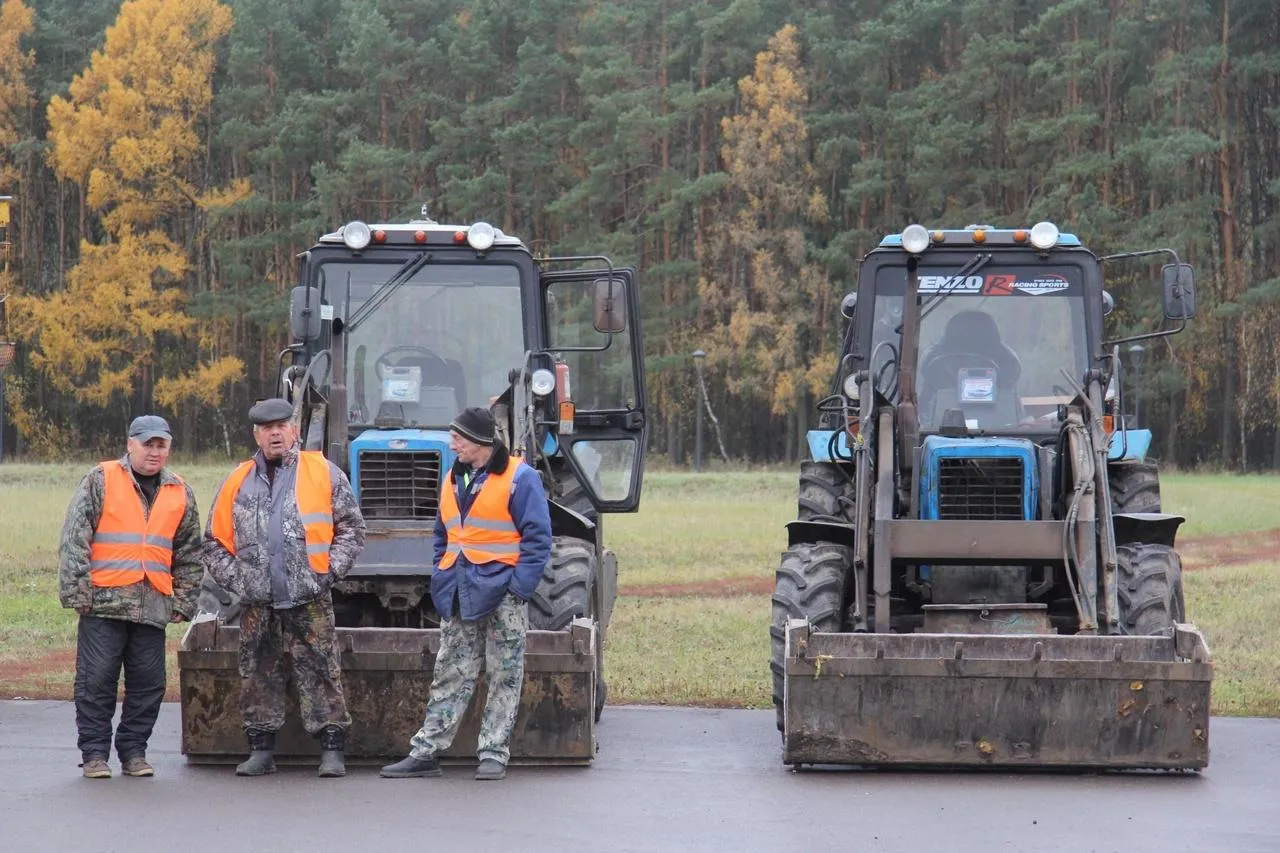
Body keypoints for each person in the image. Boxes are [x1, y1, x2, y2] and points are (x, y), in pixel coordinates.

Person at [381, 406, 551, 781]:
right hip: (459, 589)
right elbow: (444, 533)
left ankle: (493, 754)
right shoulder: (453, 477)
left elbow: (539, 541)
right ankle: (426, 752)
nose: (452, 442)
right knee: (450, 671)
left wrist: (518, 591)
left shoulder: (520, 478)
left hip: (502, 592)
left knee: (504, 673)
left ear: (481, 442)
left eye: (458, 437)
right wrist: (441, 570)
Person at [203, 398, 366, 778]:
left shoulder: (323, 472)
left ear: (295, 430)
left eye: (282, 425)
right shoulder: (236, 481)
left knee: (322, 670)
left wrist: (325, 573)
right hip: (258, 603)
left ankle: (331, 750)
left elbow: (352, 529)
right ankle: (261, 750)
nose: (275, 433)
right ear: (256, 434)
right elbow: (213, 542)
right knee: (258, 673)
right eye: (267, 427)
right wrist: (241, 580)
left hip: (309, 598)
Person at [58, 415, 203, 779]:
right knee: (96, 680)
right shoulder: (101, 479)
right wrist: (78, 592)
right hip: (104, 603)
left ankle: (134, 752)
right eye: (148, 444)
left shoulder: (179, 491)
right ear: (130, 444)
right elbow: (75, 538)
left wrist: (184, 601)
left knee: (150, 683)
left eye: (161, 445)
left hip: (153, 605)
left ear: (169, 448)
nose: (154, 452)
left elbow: (189, 552)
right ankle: (94, 754)